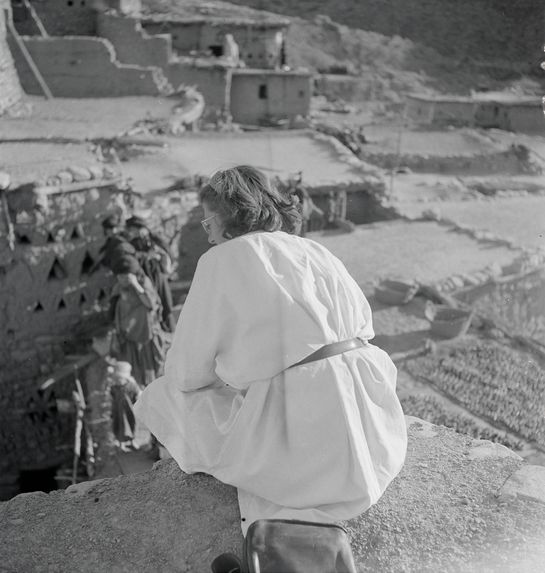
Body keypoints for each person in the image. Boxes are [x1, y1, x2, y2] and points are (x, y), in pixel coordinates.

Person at [135, 165, 407, 535]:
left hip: (307, 437)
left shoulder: (220, 260)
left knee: (161, 396)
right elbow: (363, 330)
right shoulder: (314, 250)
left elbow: (186, 373)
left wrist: (241, 374)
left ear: (224, 217)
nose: (208, 232)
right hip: (374, 431)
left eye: (206, 222)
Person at [110, 254, 166, 388]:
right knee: (134, 375)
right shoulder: (119, 288)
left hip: (146, 338)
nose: (121, 279)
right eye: (119, 276)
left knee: (151, 376)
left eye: (124, 276)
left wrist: (136, 285)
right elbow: (115, 312)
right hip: (129, 339)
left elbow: (150, 304)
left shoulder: (143, 282)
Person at [125, 215, 175, 332]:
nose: (132, 232)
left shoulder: (154, 240)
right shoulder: (133, 244)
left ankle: (170, 331)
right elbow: (133, 259)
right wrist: (147, 255)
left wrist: (159, 254)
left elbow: (167, 253)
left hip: (159, 276)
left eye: (133, 229)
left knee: (166, 303)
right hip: (146, 278)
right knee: (153, 304)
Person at [107, 360, 142, 452]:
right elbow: (112, 397)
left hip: (129, 411)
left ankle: (132, 441)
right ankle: (121, 443)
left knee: (133, 425)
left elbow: (138, 394)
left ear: (126, 378)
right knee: (119, 427)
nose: (118, 381)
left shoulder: (132, 386)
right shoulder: (114, 388)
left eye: (120, 379)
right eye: (117, 379)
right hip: (118, 412)